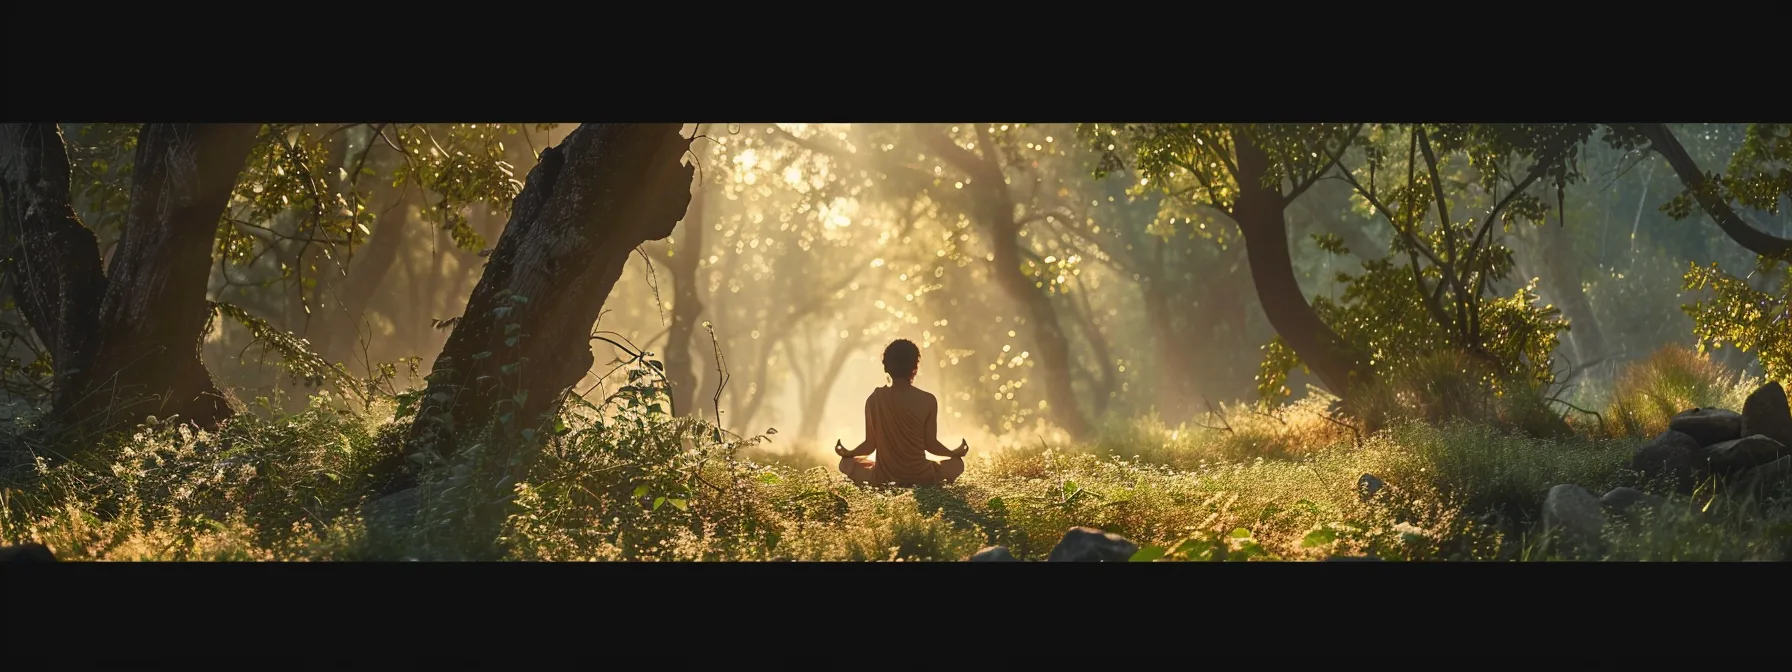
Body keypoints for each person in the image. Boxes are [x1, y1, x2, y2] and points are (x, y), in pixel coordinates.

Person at [835, 339, 970, 486]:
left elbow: (869, 445)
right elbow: (931, 445)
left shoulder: (874, 400)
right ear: (915, 367)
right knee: (957, 464)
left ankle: (880, 486)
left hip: (885, 477)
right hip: (921, 476)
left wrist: (848, 453)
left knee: (846, 463)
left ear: (886, 367)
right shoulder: (928, 400)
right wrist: (953, 454)